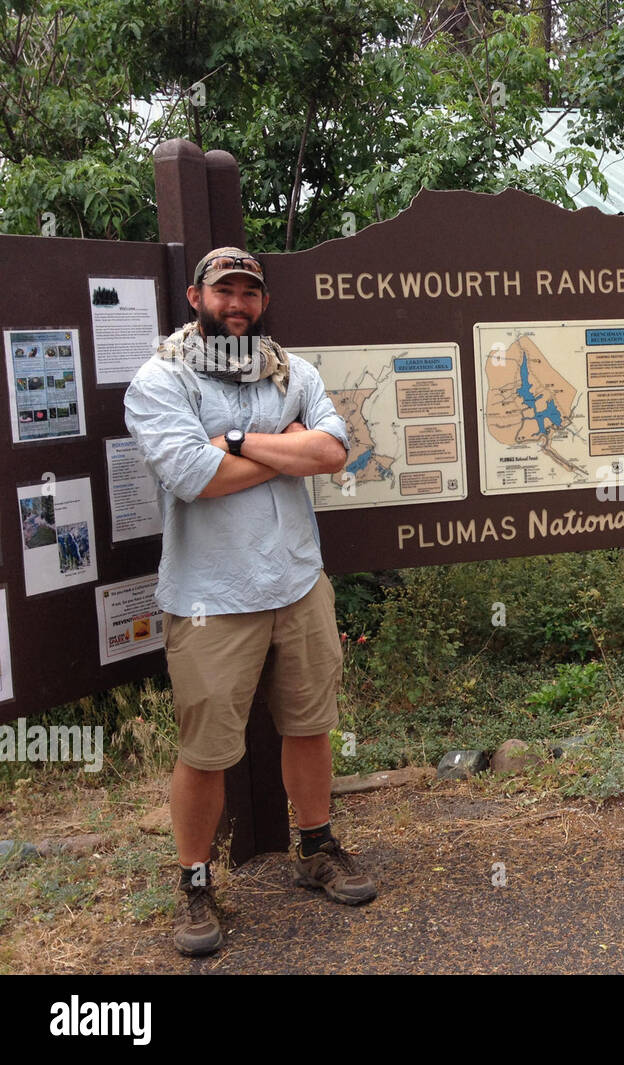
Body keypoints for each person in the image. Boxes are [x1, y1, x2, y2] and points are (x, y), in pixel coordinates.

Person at [125, 246, 377, 957]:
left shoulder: (292, 371)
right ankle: (195, 880)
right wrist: (283, 446)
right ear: (194, 295)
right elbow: (192, 476)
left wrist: (236, 439)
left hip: (298, 581)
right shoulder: (159, 378)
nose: (236, 302)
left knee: (310, 723)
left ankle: (316, 847)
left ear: (263, 302)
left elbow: (334, 453)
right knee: (206, 752)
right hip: (210, 598)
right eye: (223, 289)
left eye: (249, 291)